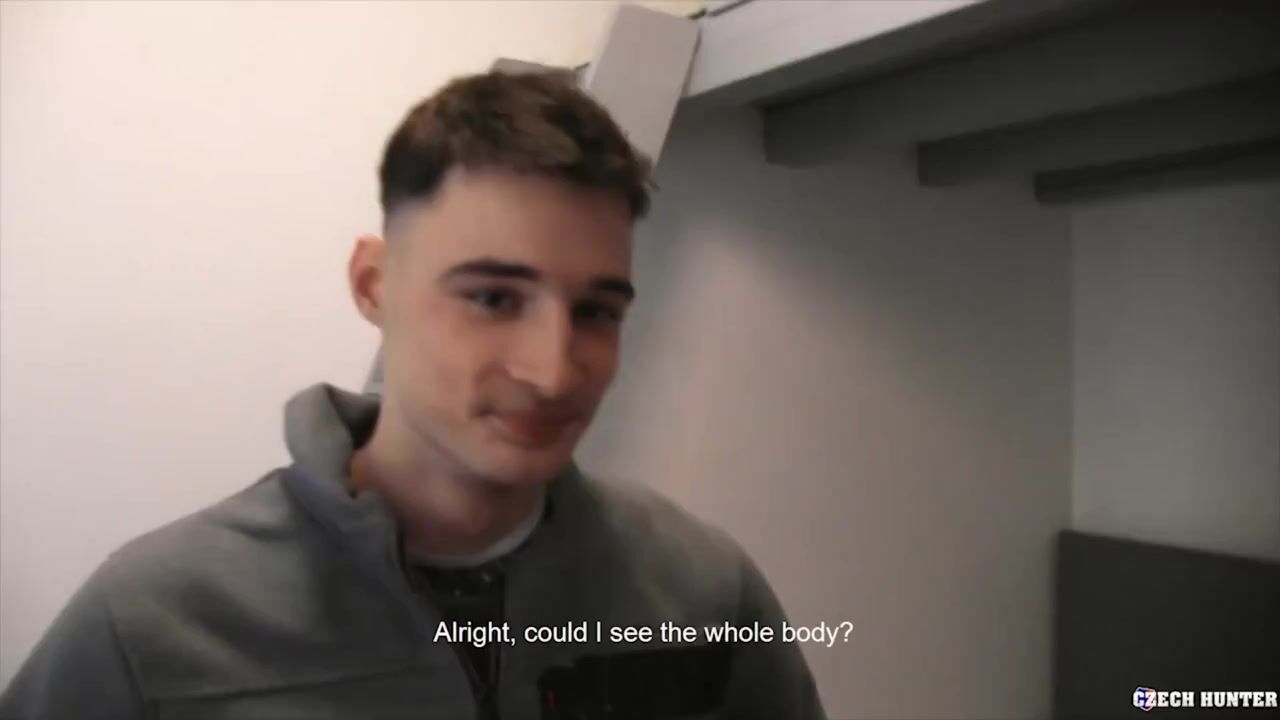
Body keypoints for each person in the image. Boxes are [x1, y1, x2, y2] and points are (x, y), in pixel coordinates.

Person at [0, 70, 826, 720]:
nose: (553, 371)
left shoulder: (703, 590)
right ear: (374, 284)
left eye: (596, 312)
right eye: (494, 298)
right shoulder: (154, 621)